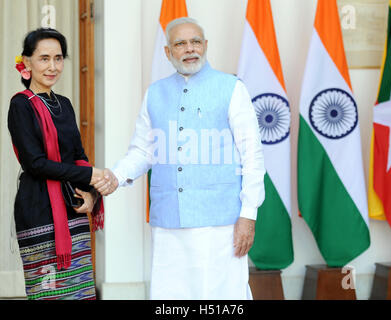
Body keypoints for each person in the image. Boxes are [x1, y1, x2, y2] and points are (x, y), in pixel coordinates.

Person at [95, 17, 265, 299]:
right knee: (171, 296)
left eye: (196, 41)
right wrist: (116, 176)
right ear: (168, 52)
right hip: (168, 221)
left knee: (222, 296)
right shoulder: (155, 93)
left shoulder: (232, 88)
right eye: (180, 43)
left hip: (220, 221)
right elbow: (143, 150)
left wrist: (249, 214)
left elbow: (252, 155)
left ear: (206, 45)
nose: (190, 49)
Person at [8, 28, 105, 300]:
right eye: (44, 58)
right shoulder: (21, 105)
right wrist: (91, 173)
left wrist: (91, 192)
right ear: (26, 62)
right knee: (49, 293)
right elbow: (36, 164)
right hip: (39, 209)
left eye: (59, 58)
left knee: (80, 290)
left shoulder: (64, 104)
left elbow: (77, 155)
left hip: (71, 208)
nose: (53, 66)